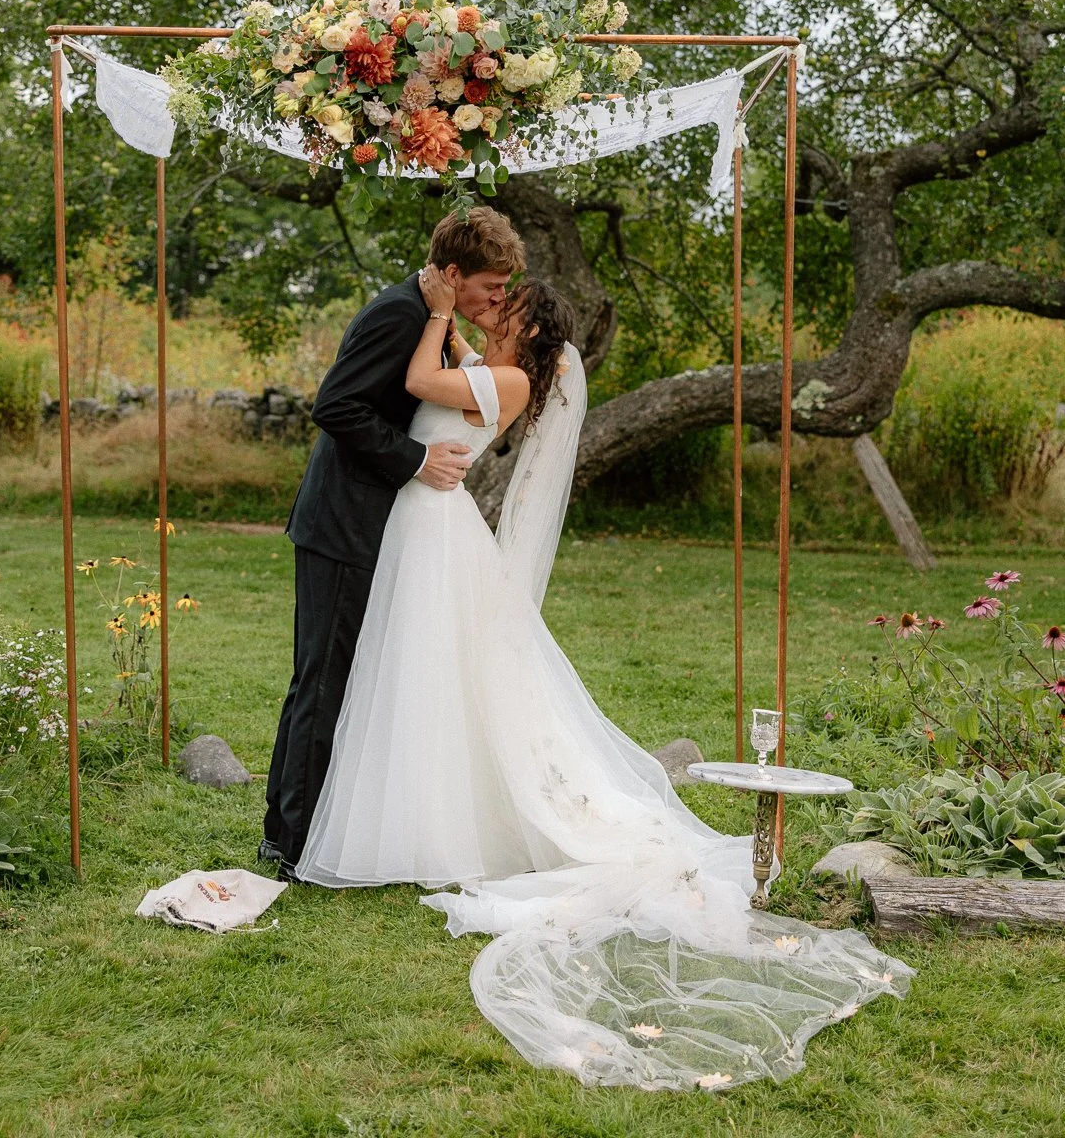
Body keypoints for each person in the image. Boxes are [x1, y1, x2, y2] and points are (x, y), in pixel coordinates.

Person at [295, 266, 913, 1093]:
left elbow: (416, 381)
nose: (493, 309)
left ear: (529, 331)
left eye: (506, 305)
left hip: (435, 527)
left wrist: (437, 312)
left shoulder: (507, 380)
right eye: (491, 296)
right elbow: (453, 361)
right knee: (428, 675)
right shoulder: (492, 365)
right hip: (425, 526)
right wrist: (451, 318)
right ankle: (411, 804)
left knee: (437, 673)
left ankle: (433, 820)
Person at [260, 207, 525, 876]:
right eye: (491, 287)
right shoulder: (401, 314)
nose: (498, 299)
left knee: (330, 678)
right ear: (454, 273)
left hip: (371, 521)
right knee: (322, 680)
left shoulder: (428, 313)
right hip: (344, 520)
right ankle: (292, 842)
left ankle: (297, 829)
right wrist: (415, 459)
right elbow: (335, 404)